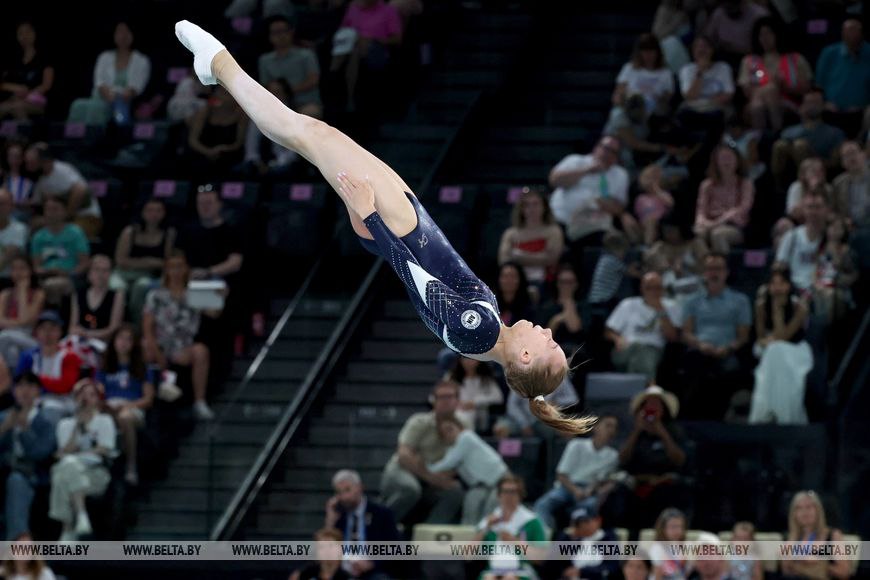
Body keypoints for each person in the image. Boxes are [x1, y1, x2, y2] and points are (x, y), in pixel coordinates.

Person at [175, 19, 591, 434]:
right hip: (405, 221)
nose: (549, 331)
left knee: (307, 135)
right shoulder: (488, 334)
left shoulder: (478, 333)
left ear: (524, 359)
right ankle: (217, 66)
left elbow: (417, 278)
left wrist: (371, 217)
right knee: (314, 136)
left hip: (395, 226)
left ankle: (217, 63)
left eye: (549, 344)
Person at [142, 252, 217, 420]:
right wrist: (159, 354)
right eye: (172, 267)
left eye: (179, 266)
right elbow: (147, 328)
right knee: (145, 346)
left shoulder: (194, 293)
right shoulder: (155, 295)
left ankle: (199, 402)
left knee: (201, 351)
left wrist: (221, 293)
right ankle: (142, 396)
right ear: (166, 270)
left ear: (185, 269)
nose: (176, 271)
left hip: (184, 345)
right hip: (159, 343)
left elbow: (215, 312)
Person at [379, 381, 467, 524]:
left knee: (455, 492)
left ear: (457, 400)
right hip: (403, 470)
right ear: (434, 401)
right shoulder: (419, 422)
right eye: (441, 397)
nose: (445, 401)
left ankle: (427, 535)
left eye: (449, 397)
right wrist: (432, 478)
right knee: (410, 488)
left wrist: (443, 477)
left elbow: (464, 457)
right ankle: (380, 527)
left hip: (432, 476)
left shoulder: (465, 425)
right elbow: (404, 456)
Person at [601, 386, 688, 530]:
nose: (652, 407)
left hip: (664, 483)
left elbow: (680, 460)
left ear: (663, 409)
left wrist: (662, 433)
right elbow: (622, 459)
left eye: (656, 404)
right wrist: (637, 431)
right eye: (649, 404)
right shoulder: (633, 429)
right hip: (636, 483)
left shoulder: (674, 430)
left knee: (670, 494)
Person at [680, 252, 751, 419]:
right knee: (695, 364)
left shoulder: (740, 300)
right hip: (699, 350)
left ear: (726, 272)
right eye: (710, 269)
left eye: (718, 269)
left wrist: (727, 348)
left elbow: (743, 336)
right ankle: (690, 422)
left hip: (727, 351)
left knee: (728, 368)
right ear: (704, 273)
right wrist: (700, 345)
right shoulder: (692, 301)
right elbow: (686, 333)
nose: (714, 273)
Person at [50, 379, 116, 541]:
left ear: (98, 400)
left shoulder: (105, 421)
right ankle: (81, 515)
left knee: (62, 474)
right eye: (81, 395)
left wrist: (78, 451)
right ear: (75, 399)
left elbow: (105, 449)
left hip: (95, 473)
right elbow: (65, 450)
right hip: (71, 469)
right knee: (68, 466)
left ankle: (67, 529)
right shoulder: (65, 424)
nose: (86, 399)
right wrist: (77, 427)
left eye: (91, 395)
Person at [533, 415, 619, 532]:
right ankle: (545, 538)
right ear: (596, 427)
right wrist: (575, 490)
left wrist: (591, 490)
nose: (611, 430)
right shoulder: (576, 444)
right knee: (542, 505)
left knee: (588, 507)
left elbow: (603, 481)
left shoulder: (613, 456)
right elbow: (561, 475)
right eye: (608, 425)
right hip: (567, 487)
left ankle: (578, 542)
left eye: (614, 427)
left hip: (590, 491)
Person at [749, 267, 811, 424]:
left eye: (781, 283)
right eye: (773, 284)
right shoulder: (761, 305)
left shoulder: (800, 307)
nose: (777, 288)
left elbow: (784, 336)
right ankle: (765, 413)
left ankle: (782, 415)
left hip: (795, 349)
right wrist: (769, 340)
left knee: (776, 352)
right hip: (769, 347)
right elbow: (760, 336)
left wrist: (778, 310)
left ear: (788, 286)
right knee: (773, 352)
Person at [96, 325, 155, 486]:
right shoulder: (103, 367)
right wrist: (105, 404)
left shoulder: (143, 367)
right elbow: (97, 393)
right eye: (120, 338)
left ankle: (131, 465)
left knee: (125, 417)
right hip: (109, 407)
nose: (124, 343)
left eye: (129, 339)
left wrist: (127, 405)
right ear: (114, 341)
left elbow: (148, 399)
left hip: (133, 408)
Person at [549, 136, 630, 252]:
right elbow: (554, 180)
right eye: (606, 148)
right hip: (560, 220)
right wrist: (586, 170)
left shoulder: (620, 174)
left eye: (613, 152)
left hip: (592, 226)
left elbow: (619, 208)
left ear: (617, 157)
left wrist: (602, 202)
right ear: (596, 148)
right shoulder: (575, 160)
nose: (608, 154)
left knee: (609, 239)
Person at [0, 373, 56, 540]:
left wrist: (25, 431)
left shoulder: (46, 421)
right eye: (20, 386)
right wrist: (4, 429)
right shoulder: (3, 417)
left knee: (16, 482)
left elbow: (40, 453)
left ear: (38, 391)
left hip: (30, 473)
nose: (25, 391)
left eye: (30, 386)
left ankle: (15, 549)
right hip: (3, 469)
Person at [427, 415, 508, 525]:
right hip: (480, 486)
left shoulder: (466, 437)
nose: (448, 434)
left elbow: (447, 463)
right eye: (444, 433)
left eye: (450, 429)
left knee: (489, 514)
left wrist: (427, 468)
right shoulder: (452, 449)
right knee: (471, 508)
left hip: (501, 480)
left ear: (459, 428)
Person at [67, 21, 151, 126]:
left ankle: (92, 140)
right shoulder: (104, 57)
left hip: (123, 101)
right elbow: (99, 81)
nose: (123, 36)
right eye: (120, 32)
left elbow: (137, 87)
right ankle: (73, 139)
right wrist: (107, 94)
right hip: (102, 97)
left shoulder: (141, 60)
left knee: (98, 109)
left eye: (126, 32)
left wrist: (120, 95)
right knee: (77, 105)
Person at [738, 17, 812, 132]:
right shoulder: (749, 61)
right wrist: (772, 88)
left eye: (768, 33)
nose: (765, 38)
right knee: (759, 103)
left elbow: (806, 88)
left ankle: (774, 133)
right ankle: (767, 138)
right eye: (761, 35)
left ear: (777, 34)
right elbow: (747, 91)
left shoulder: (795, 59)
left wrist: (784, 87)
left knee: (767, 94)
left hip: (789, 102)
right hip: (757, 103)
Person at [606, 272, 681, 382]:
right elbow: (608, 331)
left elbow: (673, 337)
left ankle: (634, 393)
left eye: (658, 288)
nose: (654, 292)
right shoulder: (628, 304)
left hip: (652, 350)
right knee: (639, 355)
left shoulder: (671, 306)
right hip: (626, 348)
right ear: (642, 288)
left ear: (663, 289)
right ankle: (647, 395)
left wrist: (661, 310)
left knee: (641, 357)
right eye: (649, 288)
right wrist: (617, 339)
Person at [324, 469, 399, 579]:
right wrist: (329, 521)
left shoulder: (381, 513)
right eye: (339, 493)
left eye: (347, 490)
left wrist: (371, 563)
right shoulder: (338, 516)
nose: (344, 497)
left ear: (360, 487)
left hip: (372, 572)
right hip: (342, 572)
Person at [332, 0, 403, 112]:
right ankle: (338, 84)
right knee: (350, 47)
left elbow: (397, 39)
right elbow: (343, 30)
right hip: (351, 45)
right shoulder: (353, 7)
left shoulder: (388, 10)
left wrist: (373, 40)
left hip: (377, 48)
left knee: (358, 49)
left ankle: (337, 77)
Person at [474, 474, 548, 580]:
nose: (509, 496)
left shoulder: (531, 522)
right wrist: (486, 528)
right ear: (499, 495)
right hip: (492, 570)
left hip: (522, 570)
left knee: (509, 578)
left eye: (513, 492)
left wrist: (514, 541)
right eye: (505, 492)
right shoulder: (490, 521)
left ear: (520, 495)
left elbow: (540, 558)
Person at [16, 311, 85, 421]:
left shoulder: (70, 356)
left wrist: (36, 381)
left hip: (61, 401)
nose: (47, 333)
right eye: (43, 328)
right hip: (32, 401)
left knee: (46, 414)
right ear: (37, 332)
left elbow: (64, 386)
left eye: (52, 329)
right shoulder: (28, 356)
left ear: (60, 332)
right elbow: (18, 383)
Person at [771, 89, 846, 190]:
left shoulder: (835, 133)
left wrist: (813, 157)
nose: (812, 106)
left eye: (816, 102)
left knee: (800, 145)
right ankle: (777, 188)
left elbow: (835, 162)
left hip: (820, 173)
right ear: (802, 106)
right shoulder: (788, 132)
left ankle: (809, 187)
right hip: (789, 176)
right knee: (780, 145)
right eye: (808, 102)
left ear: (823, 105)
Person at [113, 198, 176, 318]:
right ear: (143, 212)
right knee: (116, 286)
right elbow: (120, 260)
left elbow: (167, 262)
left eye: (158, 210)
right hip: (123, 272)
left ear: (164, 213)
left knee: (141, 286)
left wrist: (140, 263)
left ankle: (135, 322)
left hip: (149, 275)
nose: (154, 214)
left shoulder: (168, 234)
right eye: (150, 210)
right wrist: (150, 262)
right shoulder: (130, 232)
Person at [25, 143, 103, 239]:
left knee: (69, 235)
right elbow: (36, 202)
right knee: (34, 225)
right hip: (59, 220)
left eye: (32, 162)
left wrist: (65, 216)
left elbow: (80, 190)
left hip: (86, 217)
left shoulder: (62, 170)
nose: (28, 166)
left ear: (44, 160)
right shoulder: (40, 180)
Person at [497, 187, 564, 292]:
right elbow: (504, 260)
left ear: (544, 207)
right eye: (527, 205)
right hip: (515, 284)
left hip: (545, 283)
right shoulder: (510, 233)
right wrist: (538, 258)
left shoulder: (553, 231)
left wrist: (518, 256)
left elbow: (551, 259)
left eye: (536, 204)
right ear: (521, 209)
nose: (531, 209)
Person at [694, 145, 754, 253]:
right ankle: (703, 266)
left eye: (729, 158)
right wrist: (705, 222)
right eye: (722, 158)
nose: (726, 162)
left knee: (718, 234)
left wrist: (718, 222)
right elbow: (700, 212)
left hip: (734, 226)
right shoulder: (707, 185)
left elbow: (743, 208)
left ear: (737, 160)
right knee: (697, 233)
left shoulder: (745, 184)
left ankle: (723, 267)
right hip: (709, 223)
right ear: (716, 162)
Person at [259, 16, 322, 119]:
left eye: (284, 31)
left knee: (309, 113)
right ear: (269, 36)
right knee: (253, 115)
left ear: (291, 32)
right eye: (276, 32)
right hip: (277, 104)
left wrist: (288, 91)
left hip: (305, 102)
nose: (281, 35)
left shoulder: (306, 55)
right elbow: (265, 85)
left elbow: (313, 80)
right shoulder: (264, 60)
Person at [815, 19, 870, 135]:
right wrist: (825, 102)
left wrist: (864, 105)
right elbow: (818, 87)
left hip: (861, 111)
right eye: (848, 30)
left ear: (862, 33)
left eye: (855, 30)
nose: (852, 34)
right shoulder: (829, 53)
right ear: (842, 33)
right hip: (831, 110)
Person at [644, 218, 709, 314]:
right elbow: (649, 264)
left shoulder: (695, 243)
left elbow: (706, 268)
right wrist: (667, 266)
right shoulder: (660, 246)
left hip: (693, 282)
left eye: (671, 231)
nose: (668, 234)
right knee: (667, 277)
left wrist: (686, 265)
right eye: (665, 231)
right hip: (669, 286)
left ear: (681, 230)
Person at [781, 491, 851, 579]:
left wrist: (820, 565)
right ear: (794, 514)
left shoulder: (832, 535)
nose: (804, 512)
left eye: (809, 507)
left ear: (818, 511)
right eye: (799, 508)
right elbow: (786, 572)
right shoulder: (791, 538)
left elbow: (844, 572)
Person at [29, 196, 90, 293]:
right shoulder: (38, 237)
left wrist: (68, 273)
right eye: (48, 209)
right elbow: (36, 267)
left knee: (56, 286)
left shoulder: (76, 233)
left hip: (71, 277)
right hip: (46, 277)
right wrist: (48, 272)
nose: (51, 213)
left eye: (55, 209)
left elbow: (84, 263)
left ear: (65, 212)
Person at [186, 85, 248, 178]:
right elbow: (193, 140)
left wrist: (224, 149)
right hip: (204, 153)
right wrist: (208, 152)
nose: (221, 96)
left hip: (228, 155)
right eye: (221, 92)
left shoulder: (241, 114)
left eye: (226, 93)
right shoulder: (205, 111)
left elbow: (239, 142)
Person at [0, 21, 54, 121]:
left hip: (37, 101)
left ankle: (25, 136)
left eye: (28, 32)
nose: (25, 36)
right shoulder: (12, 60)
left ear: (34, 34)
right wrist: (15, 88)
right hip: (13, 99)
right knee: (5, 107)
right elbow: (3, 84)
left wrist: (28, 94)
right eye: (21, 33)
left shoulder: (44, 58)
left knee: (17, 107)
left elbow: (46, 85)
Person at [550, 505, 620, 580]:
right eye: (578, 523)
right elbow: (553, 566)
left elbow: (612, 568)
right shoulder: (570, 539)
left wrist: (582, 572)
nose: (582, 526)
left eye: (586, 521)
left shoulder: (608, 539)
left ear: (598, 520)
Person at [613, 34, 674, 117]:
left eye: (651, 50)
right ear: (639, 52)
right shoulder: (629, 68)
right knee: (618, 115)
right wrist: (623, 100)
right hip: (630, 109)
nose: (648, 55)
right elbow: (617, 96)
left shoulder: (665, 73)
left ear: (657, 52)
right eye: (645, 51)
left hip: (653, 113)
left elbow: (667, 99)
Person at [775, 193, 827, 293]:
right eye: (810, 207)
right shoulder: (792, 236)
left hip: (822, 289)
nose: (813, 212)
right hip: (794, 289)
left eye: (818, 207)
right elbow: (779, 265)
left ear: (826, 209)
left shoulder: (831, 238)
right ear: (803, 210)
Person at [0, 256, 44, 368]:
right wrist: (19, 323)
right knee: (12, 351)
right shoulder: (5, 294)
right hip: (9, 338)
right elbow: (1, 321)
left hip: (30, 338)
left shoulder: (38, 294)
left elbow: (26, 320)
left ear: (30, 271)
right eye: (14, 269)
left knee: (4, 336)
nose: (18, 272)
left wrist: (22, 291)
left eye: (22, 268)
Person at [70, 254, 125, 343]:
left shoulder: (117, 296)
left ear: (110, 273)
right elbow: (73, 326)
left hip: (104, 343)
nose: (100, 274)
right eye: (97, 269)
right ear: (89, 273)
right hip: (81, 341)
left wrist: (88, 334)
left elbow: (114, 328)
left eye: (105, 270)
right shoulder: (78, 294)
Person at [677, 36, 734, 118]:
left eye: (705, 46)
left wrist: (708, 103)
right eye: (697, 47)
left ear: (712, 50)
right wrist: (700, 72)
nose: (701, 50)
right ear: (693, 51)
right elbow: (689, 96)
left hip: (717, 108)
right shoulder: (686, 69)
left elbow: (728, 94)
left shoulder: (723, 67)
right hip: (693, 109)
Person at [535, 264, 584, 352]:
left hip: (576, 353)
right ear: (557, 283)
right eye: (563, 282)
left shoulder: (583, 307)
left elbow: (574, 328)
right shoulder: (547, 307)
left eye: (570, 282)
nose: (566, 286)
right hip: (551, 352)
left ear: (576, 284)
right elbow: (543, 340)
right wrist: (556, 320)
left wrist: (568, 302)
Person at [703, 0, 768, 65]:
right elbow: (707, 39)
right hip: (724, 58)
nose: (732, 9)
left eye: (735, 4)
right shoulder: (719, 14)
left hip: (752, 57)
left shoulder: (759, 14)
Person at [447, 357, 503, 432]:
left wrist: (475, 402)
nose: (468, 362)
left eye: (472, 359)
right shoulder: (452, 377)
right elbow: (435, 397)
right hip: (456, 411)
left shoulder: (485, 378)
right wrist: (455, 403)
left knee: (467, 416)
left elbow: (498, 397)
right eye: (465, 359)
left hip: (479, 414)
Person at [831, 141, 870, 229]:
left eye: (853, 152)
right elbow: (833, 211)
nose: (851, 158)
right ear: (842, 162)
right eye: (846, 155)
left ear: (863, 155)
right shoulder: (837, 183)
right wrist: (843, 221)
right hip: (851, 229)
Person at [633, 165, 674, 246]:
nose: (651, 181)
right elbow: (638, 214)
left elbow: (670, 203)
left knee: (651, 221)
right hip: (643, 225)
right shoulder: (640, 198)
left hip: (661, 224)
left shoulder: (664, 194)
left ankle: (647, 246)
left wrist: (656, 190)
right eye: (648, 178)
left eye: (654, 178)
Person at [648, 508, 691, 580]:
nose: (678, 531)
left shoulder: (685, 546)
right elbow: (657, 577)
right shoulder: (657, 548)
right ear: (663, 529)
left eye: (680, 526)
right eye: (673, 527)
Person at [0, 188, 28, 282]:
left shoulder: (19, 229)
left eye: (3, 204)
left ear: (11, 207)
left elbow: (7, 258)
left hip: (10, 280)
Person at [2, 140, 35, 215]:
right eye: (11, 156)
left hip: (23, 213)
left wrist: (29, 202)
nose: (14, 160)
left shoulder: (31, 178)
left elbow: (35, 200)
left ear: (23, 158)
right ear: (7, 157)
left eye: (17, 156)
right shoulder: (2, 176)